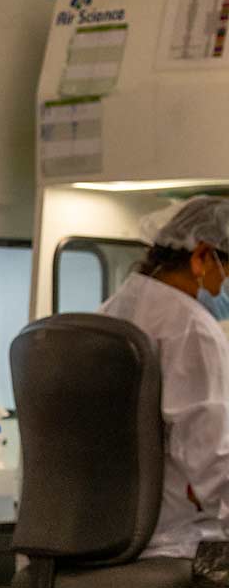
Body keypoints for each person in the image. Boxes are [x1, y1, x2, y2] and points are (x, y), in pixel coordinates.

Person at [100, 195, 229, 560]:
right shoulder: (191, 327)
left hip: (101, 539)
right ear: (202, 257)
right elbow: (214, 461)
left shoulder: (114, 309)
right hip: (170, 545)